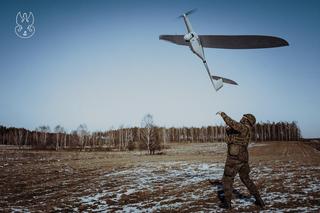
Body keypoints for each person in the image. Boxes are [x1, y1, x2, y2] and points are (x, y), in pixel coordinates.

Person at [216, 112, 265, 209]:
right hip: (243, 158)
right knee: (246, 179)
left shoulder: (244, 127)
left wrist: (223, 115)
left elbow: (233, 123)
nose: (241, 118)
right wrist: (229, 130)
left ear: (247, 120)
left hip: (234, 158)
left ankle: (227, 203)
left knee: (227, 179)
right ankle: (259, 200)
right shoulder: (247, 130)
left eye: (244, 117)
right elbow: (234, 137)